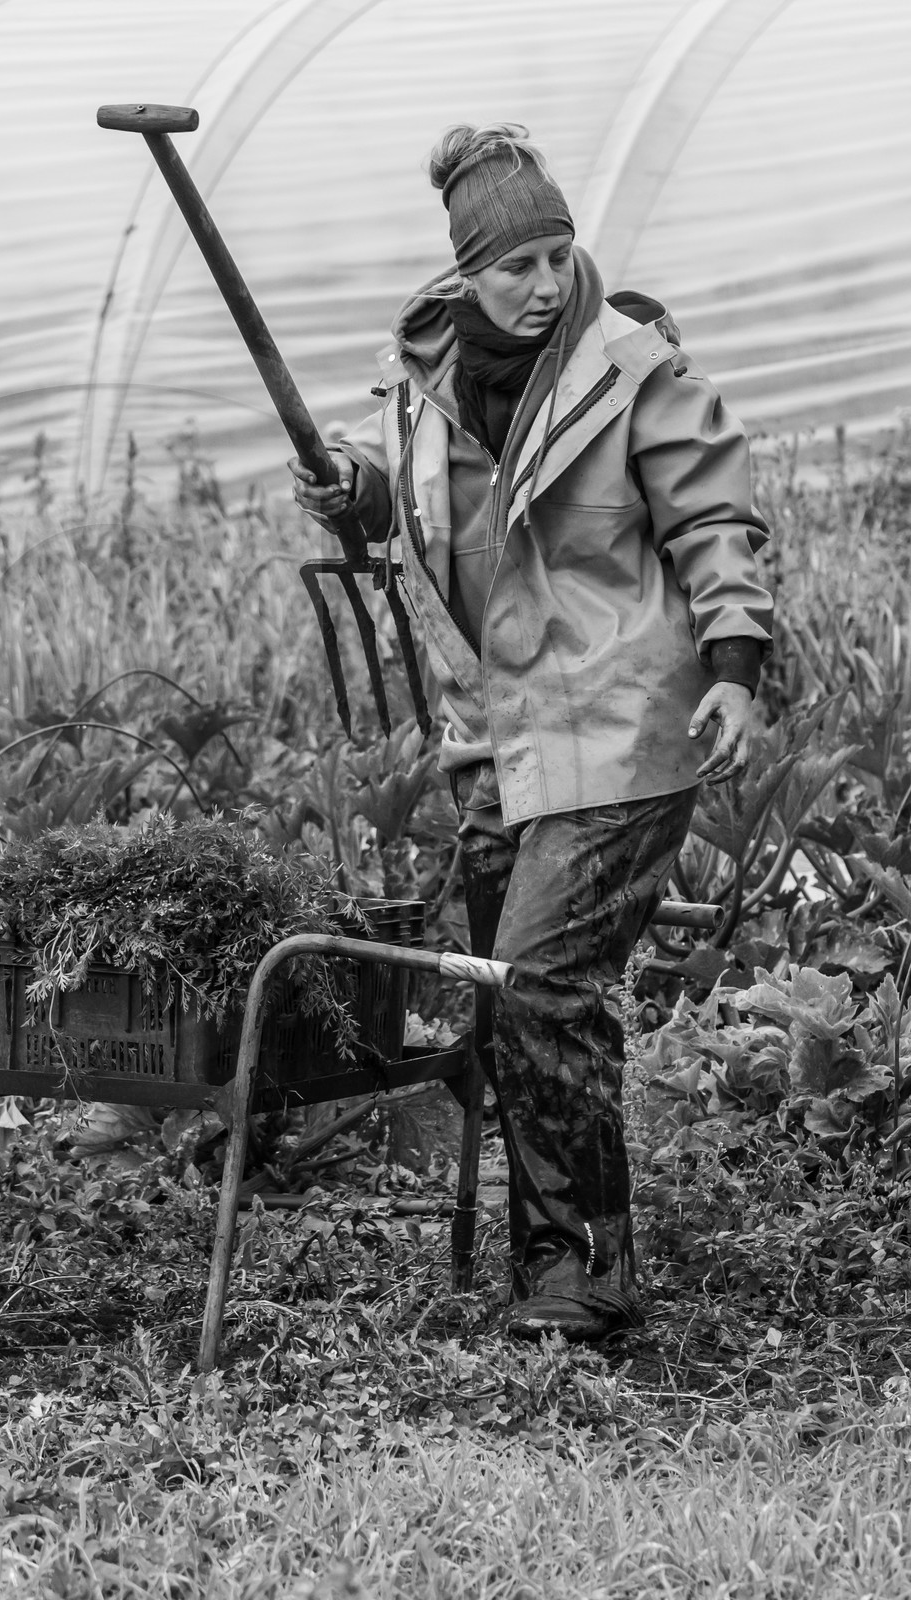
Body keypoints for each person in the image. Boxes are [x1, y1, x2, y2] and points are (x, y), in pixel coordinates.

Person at [291, 123, 773, 1340]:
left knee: (547, 982)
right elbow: (435, 515)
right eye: (521, 266)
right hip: (493, 738)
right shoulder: (427, 380)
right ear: (469, 275)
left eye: (560, 256)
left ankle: (579, 1271)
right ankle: (557, 1259)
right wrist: (362, 490)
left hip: (619, 718)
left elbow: (713, 517)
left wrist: (734, 665)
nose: (549, 284)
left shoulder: (630, 370)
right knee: (512, 1000)